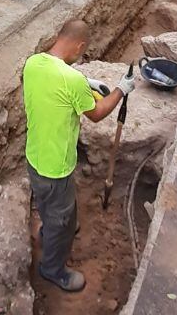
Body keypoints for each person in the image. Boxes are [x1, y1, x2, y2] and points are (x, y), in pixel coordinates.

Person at [23, 20, 133, 292]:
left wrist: (85, 82)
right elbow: (96, 114)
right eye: (81, 53)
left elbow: (58, 82)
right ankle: (53, 270)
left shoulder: (33, 62)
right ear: (80, 45)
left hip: (35, 157)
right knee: (61, 215)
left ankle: (47, 231)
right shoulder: (72, 81)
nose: (79, 57)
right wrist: (121, 89)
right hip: (56, 168)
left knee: (50, 205)